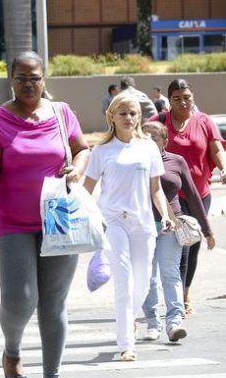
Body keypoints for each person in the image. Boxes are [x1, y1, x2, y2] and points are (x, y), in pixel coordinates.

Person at [0, 51, 90, 378]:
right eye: (21, 78)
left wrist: (78, 168)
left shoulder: (61, 113)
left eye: (34, 78)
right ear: (11, 79)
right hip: (11, 222)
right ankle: (12, 349)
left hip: (58, 219)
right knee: (21, 299)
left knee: (53, 303)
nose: (28, 84)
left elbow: (82, 149)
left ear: (44, 79)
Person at [83, 94, 173, 363]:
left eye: (133, 113)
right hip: (113, 222)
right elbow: (87, 189)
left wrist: (165, 215)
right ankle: (126, 344)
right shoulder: (101, 151)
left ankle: (129, 319)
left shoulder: (148, 148)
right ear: (111, 116)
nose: (128, 118)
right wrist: (90, 219)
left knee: (143, 283)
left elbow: (156, 189)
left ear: (139, 117)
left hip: (142, 223)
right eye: (122, 113)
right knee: (124, 282)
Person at [149, 79, 226, 315]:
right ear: (169, 100)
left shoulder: (204, 121)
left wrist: (224, 168)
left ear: (193, 97)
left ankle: (184, 293)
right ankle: (176, 299)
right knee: (178, 247)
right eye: (177, 98)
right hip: (170, 195)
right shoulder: (159, 121)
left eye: (187, 97)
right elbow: (139, 142)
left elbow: (216, 148)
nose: (183, 102)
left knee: (192, 244)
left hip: (199, 193)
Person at [140, 122, 214, 343]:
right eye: (144, 137)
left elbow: (192, 195)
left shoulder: (176, 161)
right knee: (148, 276)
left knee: (170, 272)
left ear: (165, 141)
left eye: (154, 137)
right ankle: (153, 323)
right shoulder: (135, 162)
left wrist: (207, 230)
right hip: (142, 226)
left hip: (170, 225)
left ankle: (174, 323)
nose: (149, 141)